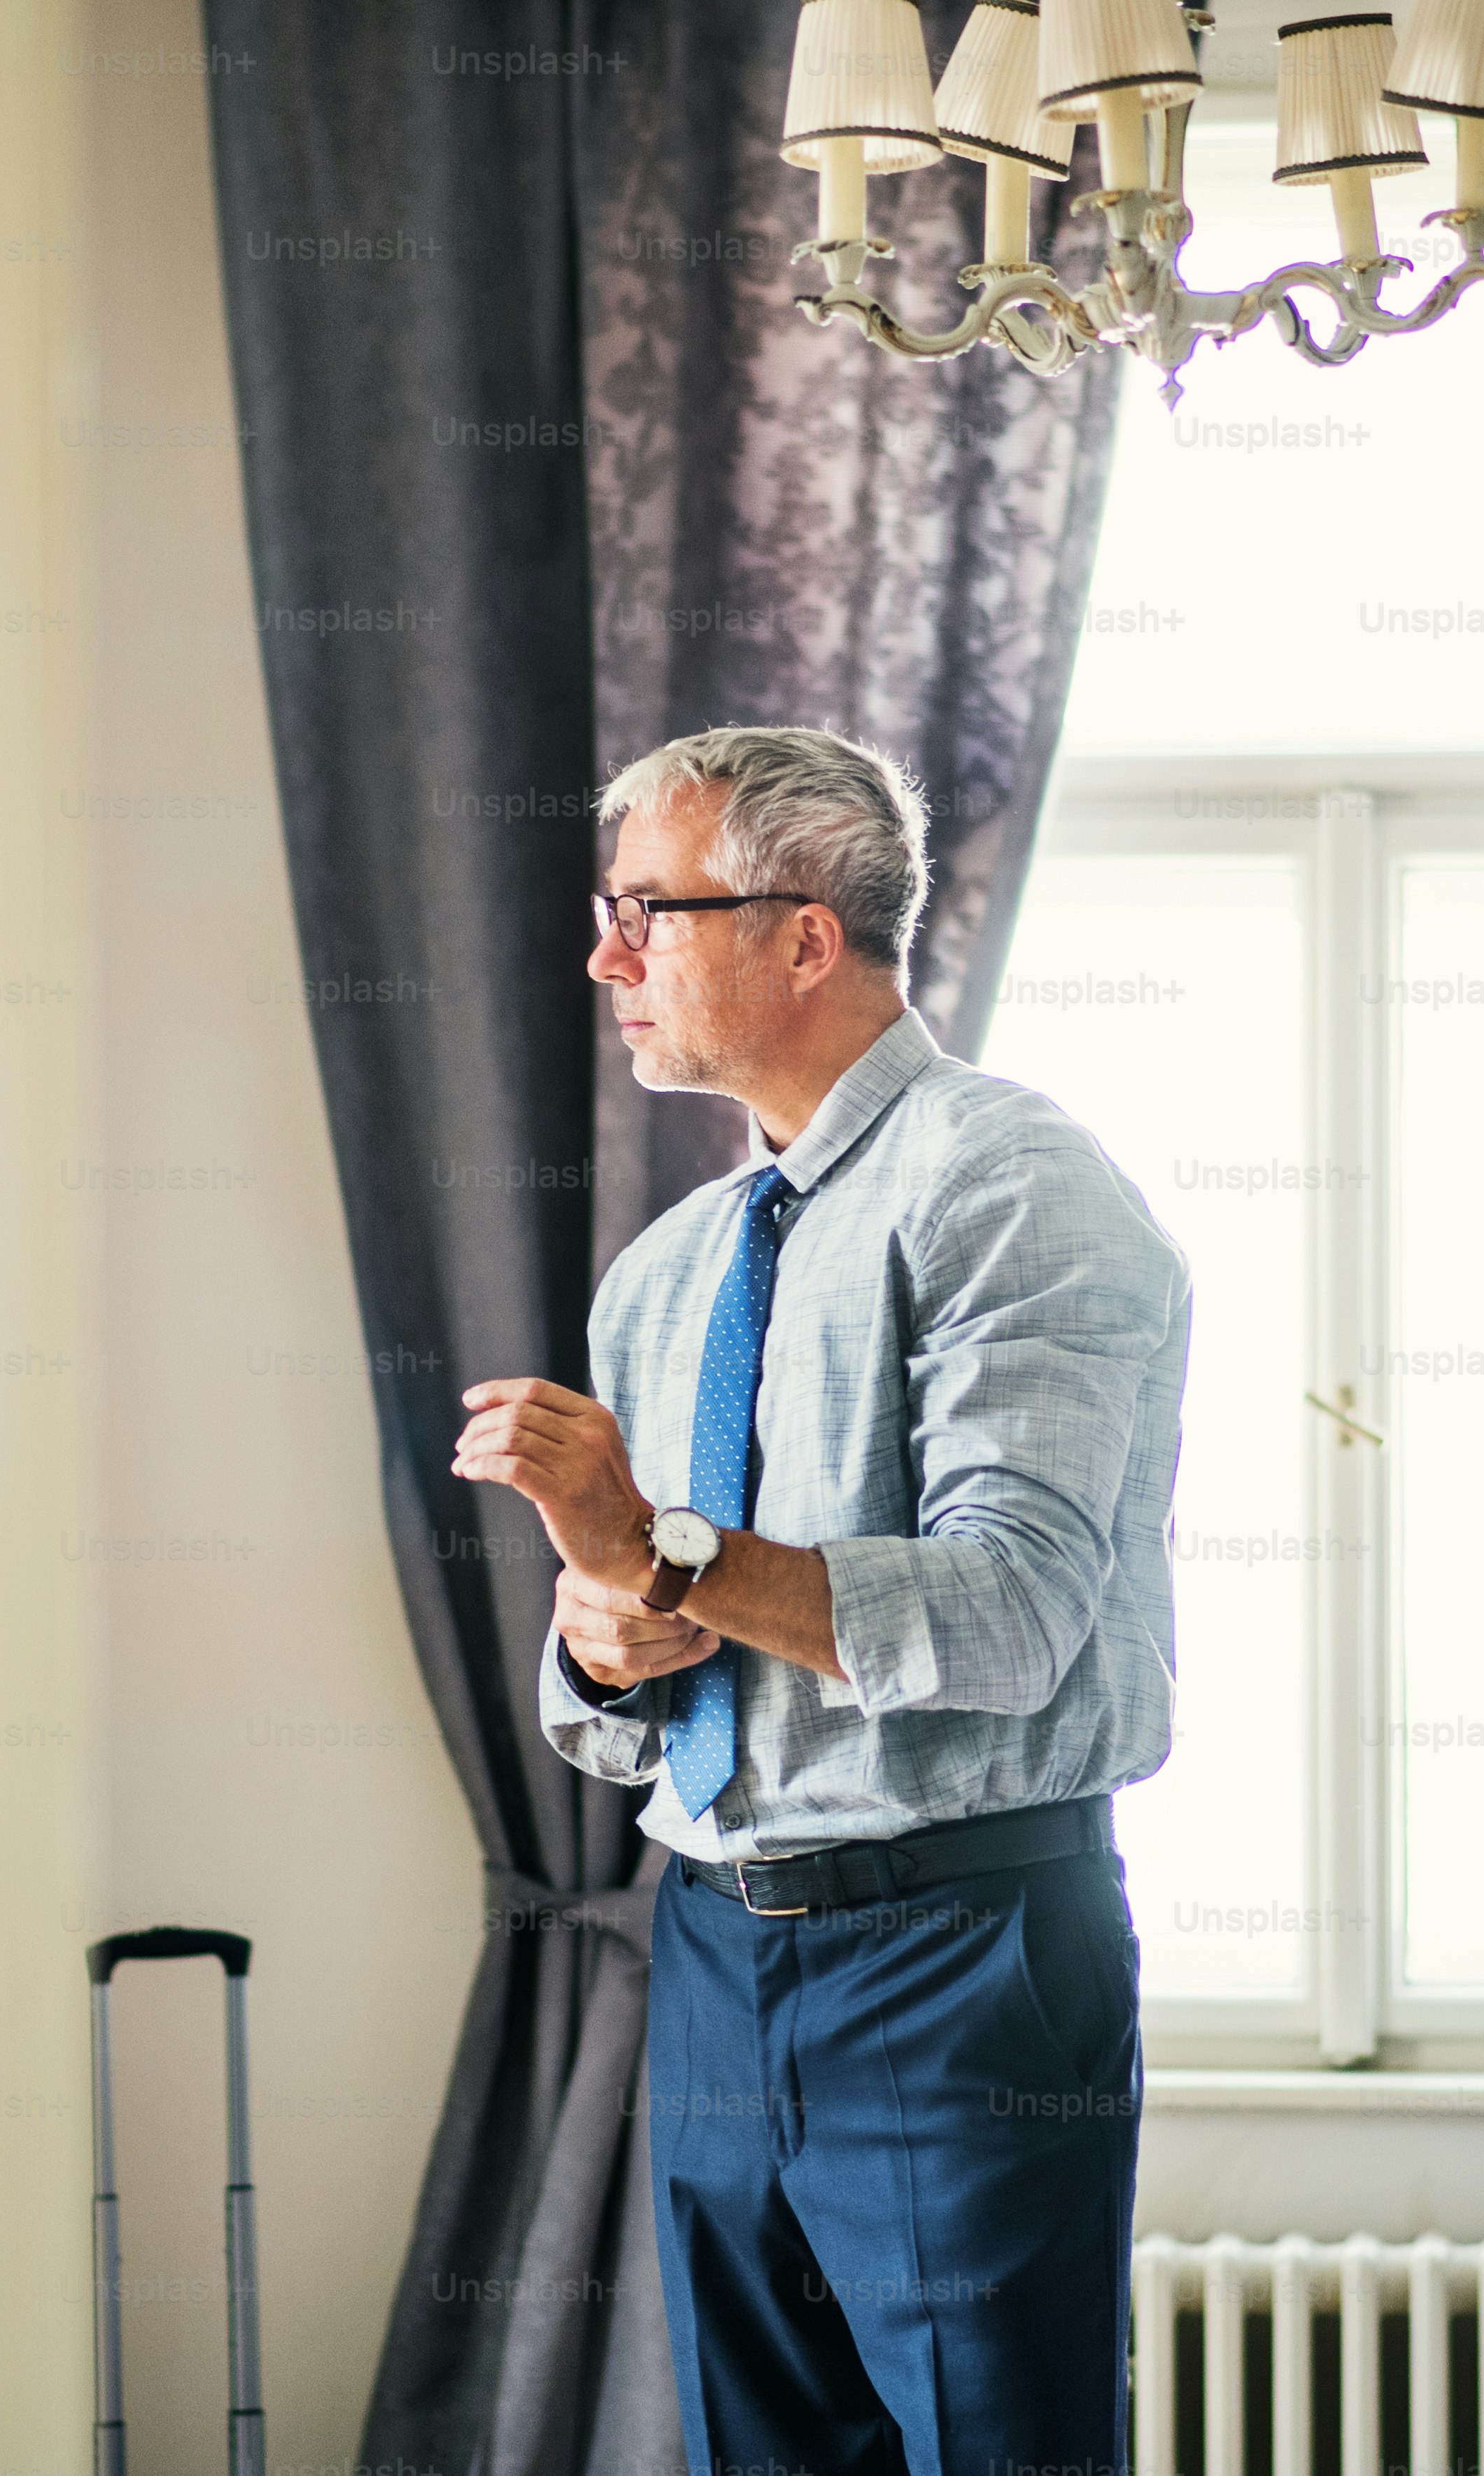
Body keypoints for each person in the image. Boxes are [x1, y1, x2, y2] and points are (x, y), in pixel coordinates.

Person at [449, 723, 1191, 2472]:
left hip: (963, 1952)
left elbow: (1010, 1619)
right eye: (604, 910)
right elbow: (625, 1672)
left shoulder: (1014, 1184)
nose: (602, 956)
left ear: (806, 934)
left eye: (651, 910)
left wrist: (652, 1551)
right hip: (711, 1945)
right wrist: (609, 1637)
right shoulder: (669, 1267)